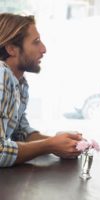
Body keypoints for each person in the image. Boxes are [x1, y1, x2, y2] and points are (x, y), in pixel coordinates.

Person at [0, 13, 82, 167]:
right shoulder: (1, 74)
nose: (43, 49)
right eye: (36, 42)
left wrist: (60, 143)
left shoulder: (20, 83)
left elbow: (20, 133)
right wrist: (50, 145)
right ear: (11, 49)